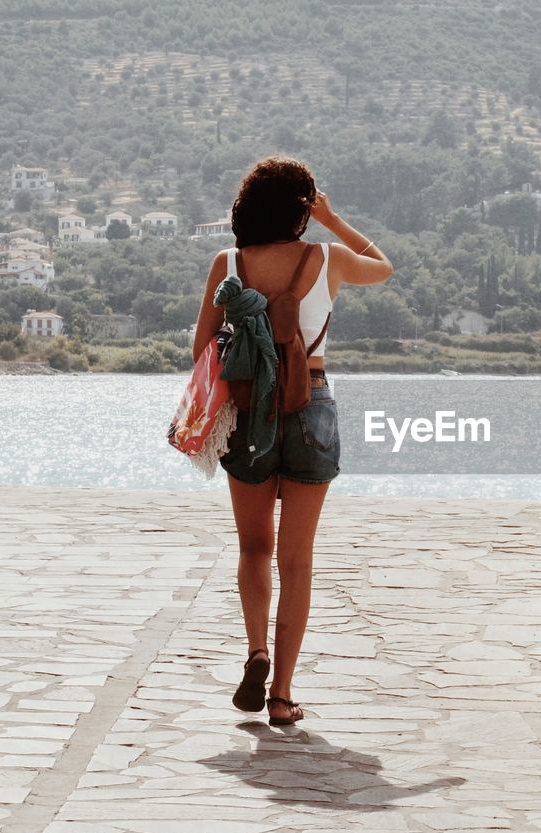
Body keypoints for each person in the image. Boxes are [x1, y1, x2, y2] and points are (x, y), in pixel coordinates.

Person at [191, 156, 393, 725]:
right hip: (313, 404)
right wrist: (331, 219)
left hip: (249, 408)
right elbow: (385, 266)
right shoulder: (326, 258)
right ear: (302, 209)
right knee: (297, 559)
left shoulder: (228, 263)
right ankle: (281, 696)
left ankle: (254, 650)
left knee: (254, 547)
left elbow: (201, 351)